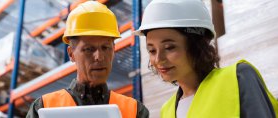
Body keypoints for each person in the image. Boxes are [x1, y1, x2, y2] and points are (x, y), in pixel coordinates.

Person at [134, 0, 278, 117]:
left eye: (169, 47)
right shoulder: (167, 110)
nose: (158, 59)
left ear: (197, 46)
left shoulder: (238, 78)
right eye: (152, 50)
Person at [26, 1, 149, 118]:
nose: (99, 57)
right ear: (71, 54)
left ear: (113, 50)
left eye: (106, 48)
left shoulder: (135, 111)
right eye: (89, 49)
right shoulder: (44, 107)